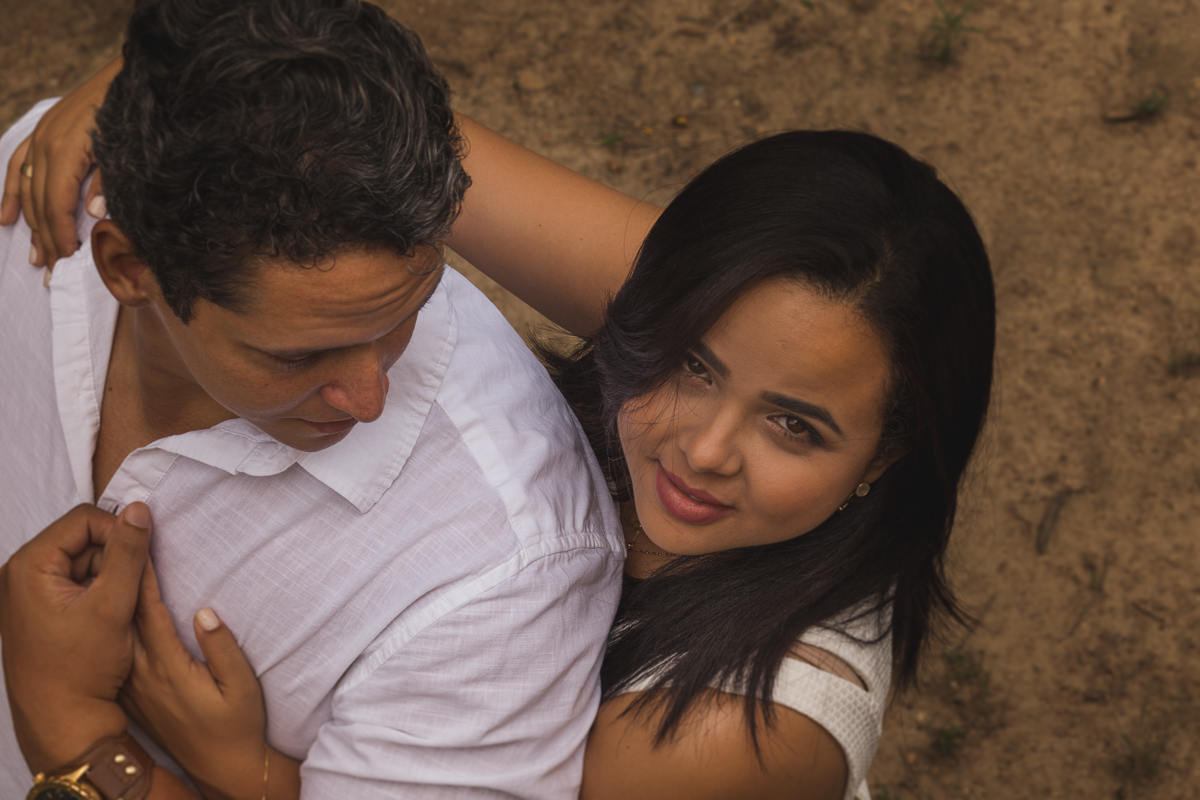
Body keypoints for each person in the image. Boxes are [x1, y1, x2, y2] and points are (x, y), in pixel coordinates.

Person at [4, 16, 995, 800]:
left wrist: (132, 744)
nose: (704, 447)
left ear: (886, 456)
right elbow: (404, 145)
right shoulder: (763, 322)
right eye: (692, 363)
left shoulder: (704, 742)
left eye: (795, 425)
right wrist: (179, 89)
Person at [0, 1, 626, 798]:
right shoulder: (34, 185)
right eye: (296, 354)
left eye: (409, 310)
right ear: (127, 268)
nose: (369, 398)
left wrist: (74, 735)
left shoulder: (497, 575)